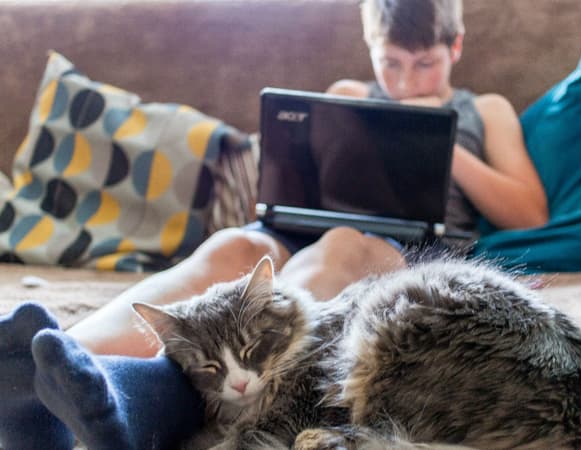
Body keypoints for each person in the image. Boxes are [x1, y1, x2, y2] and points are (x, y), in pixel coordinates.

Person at [0, 0, 548, 448]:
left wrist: (439, 141)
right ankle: (41, 361)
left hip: (401, 247)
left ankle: (143, 394)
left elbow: (528, 212)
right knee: (232, 247)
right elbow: (308, 184)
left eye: (424, 62)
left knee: (336, 249)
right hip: (303, 230)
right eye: (391, 63)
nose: (406, 81)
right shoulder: (348, 96)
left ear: (454, 48)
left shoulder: (487, 110)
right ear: (371, 51)